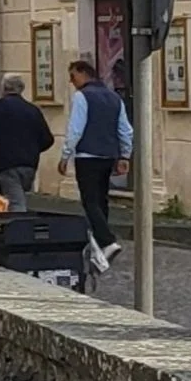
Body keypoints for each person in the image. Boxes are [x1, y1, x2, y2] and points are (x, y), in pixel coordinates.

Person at [61, 59, 133, 272]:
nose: (71, 81)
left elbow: (75, 129)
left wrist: (65, 156)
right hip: (108, 155)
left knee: (90, 200)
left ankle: (107, 240)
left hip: (87, 155)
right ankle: (101, 245)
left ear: (84, 74)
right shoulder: (114, 97)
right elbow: (125, 130)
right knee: (101, 199)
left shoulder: (82, 97)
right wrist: (124, 156)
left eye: (73, 76)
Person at [0, 72, 53, 204]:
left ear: (3, 88)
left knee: (15, 202)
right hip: (29, 163)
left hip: (6, 163)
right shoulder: (32, 109)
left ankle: (19, 224)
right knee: (20, 197)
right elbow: (47, 139)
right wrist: (33, 149)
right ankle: (17, 223)